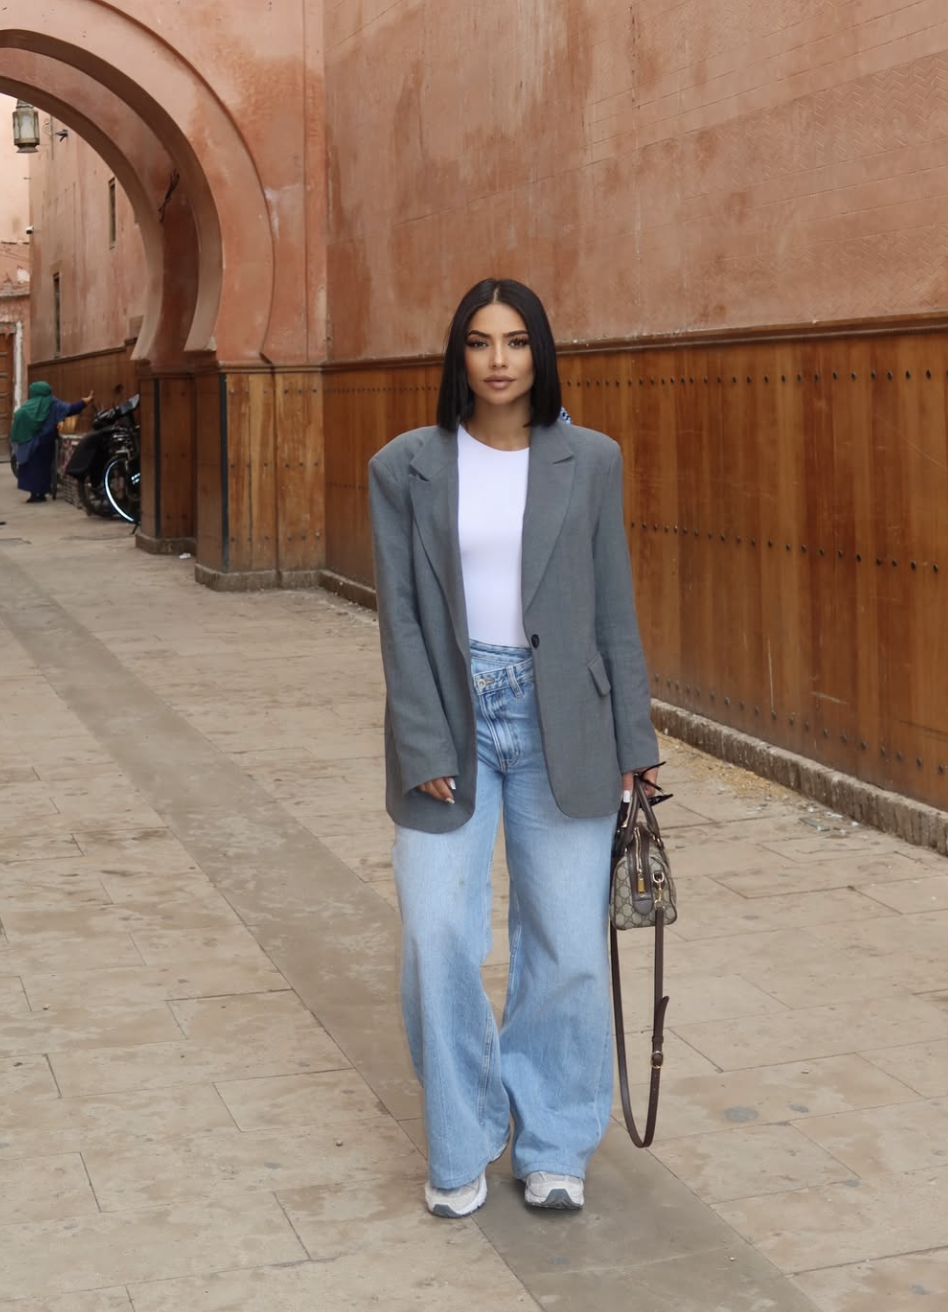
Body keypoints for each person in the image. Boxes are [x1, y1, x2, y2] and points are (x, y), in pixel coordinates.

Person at [368, 278, 660, 1220]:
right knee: (437, 935)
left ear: (541, 353)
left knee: (567, 945)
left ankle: (553, 1142)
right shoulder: (404, 466)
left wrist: (636, 741)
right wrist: (421, 737)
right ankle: (461, 1141)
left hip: (563, 720)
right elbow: (400, 619)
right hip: (450, 720)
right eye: (481, 342)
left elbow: (612, 607)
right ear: (458, 355)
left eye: (517, 341)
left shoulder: (592, 460)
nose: (499, 360)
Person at [10, 381, 93, 503]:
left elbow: (18, 418)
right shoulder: (52, 403)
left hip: (29, 443)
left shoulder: (27, 407)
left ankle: (34, 494)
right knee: (44, 467)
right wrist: (85, 401)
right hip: (46, 441)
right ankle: (41, 493)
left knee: (31, 467)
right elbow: (70, 409)